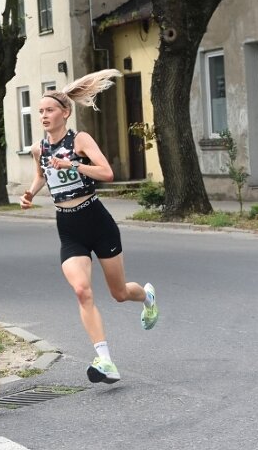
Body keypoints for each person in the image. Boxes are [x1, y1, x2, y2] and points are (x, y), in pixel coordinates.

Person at [19, 69, 159, 385]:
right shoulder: (38, 148)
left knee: (119, 293)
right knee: (82, 291)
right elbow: (42, 175)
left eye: (49, 110)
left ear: (65, 113)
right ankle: (105, 359)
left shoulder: (79, 140)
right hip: (67, 227)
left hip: (96, 220)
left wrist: (74, 164)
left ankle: (147, 296)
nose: (43, 115)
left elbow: (107, 173)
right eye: (40, 111)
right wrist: (30, 193)